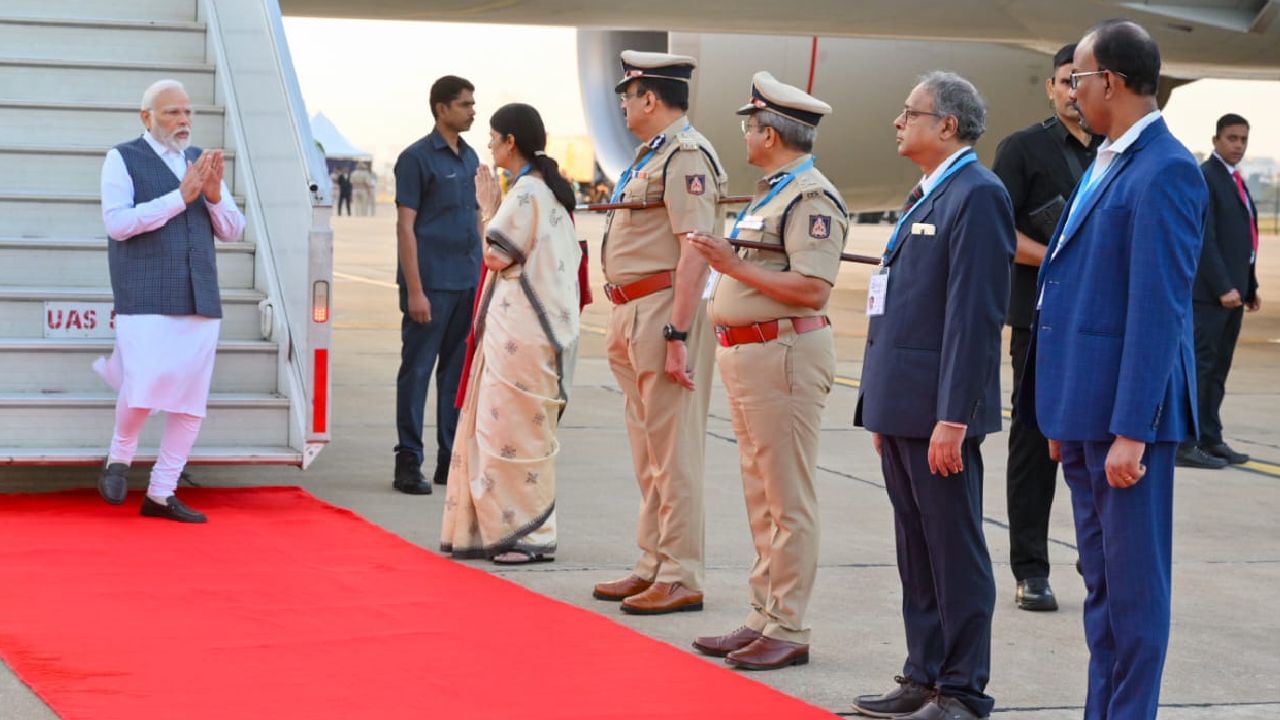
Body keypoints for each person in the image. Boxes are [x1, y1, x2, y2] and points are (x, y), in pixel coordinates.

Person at [1021, 20, 1205, 720]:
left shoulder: (1165, 169)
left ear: (1115, 83)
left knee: (1131, 595)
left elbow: (1157, 312)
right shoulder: (1107, 158)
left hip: (1126, 423)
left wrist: (1133, 427)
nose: (1072, 90)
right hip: (1084, 413)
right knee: (1100, 590)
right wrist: (1061, 415)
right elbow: (1073, 290)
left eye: (1081, 77)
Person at [851, 72, 1012, 720]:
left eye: (909, 112)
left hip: (938, 414)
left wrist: (953, 417)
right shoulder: (930, 194)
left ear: (947, 125)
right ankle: (923, 674)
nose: (897, 122)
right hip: (903, 405)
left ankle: (963, 688)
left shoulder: (977, 195)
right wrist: (881, 407)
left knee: (954, 551)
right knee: (916, 549)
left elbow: (972, 318)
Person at [686, 72, 846, 671]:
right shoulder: (773, 192)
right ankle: (763, 614)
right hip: (752, 357)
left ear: (771, 132)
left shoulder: (810, 198)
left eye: (750, 126)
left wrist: (732, 265)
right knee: (762, 497)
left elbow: (812, 288)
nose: (746, 135)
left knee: (787, 497)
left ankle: (790, 625)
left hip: (784, 356)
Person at [590, 51, 726, 615]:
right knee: (649, 451)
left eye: (628, 93)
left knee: (674, 453)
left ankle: (681, 573)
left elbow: (696, 249)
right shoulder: (651, 156)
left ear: (650, 97)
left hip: (663, 312)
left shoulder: (687, 156)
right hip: (632, 313)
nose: (622, 103)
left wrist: (678, 330)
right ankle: (652, 562)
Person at [94, 78, 246, 523]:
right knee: (143, 386)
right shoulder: (121, 158)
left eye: (187, 112)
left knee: (189, 402)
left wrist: (214, 197)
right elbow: (118, 224)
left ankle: (161, 491)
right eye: (171, 113)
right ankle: (119, 458)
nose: (183, 121)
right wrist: (180, 198)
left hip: (199, 294)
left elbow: (234, 231)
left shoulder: (201, 161)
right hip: (143, 293)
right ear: (147, 117)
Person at [439, 103, 582, 564]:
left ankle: (530, 535)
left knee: (510, 431)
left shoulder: (527, 194)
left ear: (510, 142)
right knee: (508, 428)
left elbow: (496, 254)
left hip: (523, 328)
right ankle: (501, 528)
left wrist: (487, 209)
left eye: (493, 137)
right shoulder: (544, 192)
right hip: (527, 329)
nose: (489, 146)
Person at [991, 43, 1101, 613]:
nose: (1073, 90)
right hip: (1040, 324)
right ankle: (1030, 569)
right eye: (1064, 80)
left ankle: (1096, 559)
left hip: (1102, 326)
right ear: (1051, 89)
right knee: (1034, 447)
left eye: (1082, 79)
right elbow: (998, 233)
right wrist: (1064, 259)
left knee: (1097, 445)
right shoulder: (1023, 150)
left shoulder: (1115, 150)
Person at [392, 75, 480, 495]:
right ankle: (408, 460)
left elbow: (477, 222)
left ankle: (450, 458)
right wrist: (415, 290)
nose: (472, 111)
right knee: (418, 372)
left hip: (466, 282)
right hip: (431, 285)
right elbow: (405, 228)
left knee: (456, 375)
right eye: (464, 104)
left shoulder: (470, 157)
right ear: (441, 109)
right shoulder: (416, 158)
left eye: (472, 104)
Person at [1177, 113, 1261, 469]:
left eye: (1243, 139)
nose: (1238, 145)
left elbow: (1245, 238)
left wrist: (1250, 285)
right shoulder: (1206, 178)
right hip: (1210, 296)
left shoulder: (1235, 180)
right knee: (1202, 368)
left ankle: (1212, 438)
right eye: (1231, 138)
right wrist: (1224, 285)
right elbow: (1204, 239)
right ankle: (1187, 442)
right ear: (1215, 141)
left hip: (1233, 295)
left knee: (1219, 369)